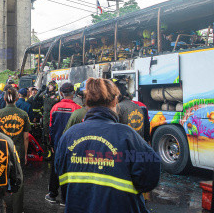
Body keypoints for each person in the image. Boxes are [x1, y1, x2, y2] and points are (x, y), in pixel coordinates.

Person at [55, 78, 161, 213]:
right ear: (115, 101)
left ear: (86, 101)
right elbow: (150, 179)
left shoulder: (68, 136)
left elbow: (61, 175)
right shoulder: (127, 136)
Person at [45, 82, 81, 206]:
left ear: (61, 93)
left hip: (57, 145)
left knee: (56, 168)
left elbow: (51, 127)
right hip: (73, 145)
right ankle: (66, 199)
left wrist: (51, 144)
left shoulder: (55, 107)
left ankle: (52, 194)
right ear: (74, 93)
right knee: (70, 169)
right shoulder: (78, 109)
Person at [0, 86, 30, 213]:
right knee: (19, 179)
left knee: (0, 177)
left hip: (2, 150)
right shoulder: (23, 114)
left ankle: (0, 206)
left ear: (5, 98)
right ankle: (18, 209)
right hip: (18, 150)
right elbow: (26, 136)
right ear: (17, 98)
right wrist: (26, 154)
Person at [41, 80, 59, 159]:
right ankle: (49, 151)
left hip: (52, 116)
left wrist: (47, 95)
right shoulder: (45, 94)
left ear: (54, 87)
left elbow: (51, 102)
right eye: (49, 86)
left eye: (51, 86)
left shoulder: (56, 96)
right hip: (45, 116)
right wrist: (41, 90)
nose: (49, 87)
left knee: (52, 133)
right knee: (45, 133)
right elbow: (36, 98)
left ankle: (54, 152)